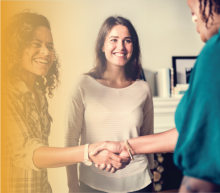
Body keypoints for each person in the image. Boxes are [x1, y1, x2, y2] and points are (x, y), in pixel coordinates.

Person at [91, 0, 220, 192]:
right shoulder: (85, 86)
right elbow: (189, 134)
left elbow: (200, 172)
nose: (194, 18)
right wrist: (125, 146)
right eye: (113, 39)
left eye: (193, 9)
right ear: (102, 45)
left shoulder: (213, 53)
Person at [1, 11, 129, 193]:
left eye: (50, 46)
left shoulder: (37, 93)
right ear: (16, 48)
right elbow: (29, 153)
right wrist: (89, 152)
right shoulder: (5, 93)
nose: (45, 52)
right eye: (36, 44)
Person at [64, 16, 154, 193]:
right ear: (102, 46)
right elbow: (70, 140)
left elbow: (147, 138)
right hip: (92, 184)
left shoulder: (144, 89)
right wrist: (72, 185)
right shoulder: (82, 84)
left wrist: (151, 176)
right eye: (114, 40)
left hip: (140, 184)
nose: (120, 47)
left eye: (127, 41)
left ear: (133, 47)